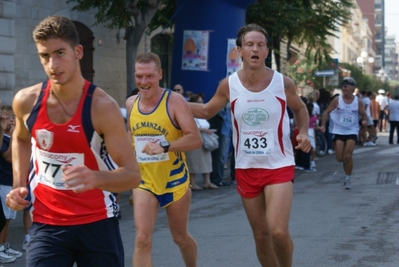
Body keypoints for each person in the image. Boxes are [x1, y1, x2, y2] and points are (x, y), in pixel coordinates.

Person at [5, 16, 141, 266]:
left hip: (97, 222)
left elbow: (133, 175)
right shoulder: (26, 101)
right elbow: (21, 139)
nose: (52, 64)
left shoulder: (102, 107)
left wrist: (97, 177)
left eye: (59, 53)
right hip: (47, 224)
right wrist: (18, 183)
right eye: (44, 56)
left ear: (78, 52)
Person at [188, 23, 310, 267]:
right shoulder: (228, 85)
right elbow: (205, 109)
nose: (255, 49)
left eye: (260, 45)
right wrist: (167, 101)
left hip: (279, 164)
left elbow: (299, 108)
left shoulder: (283, 83)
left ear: (266, 51)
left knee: (277, 230)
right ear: (240, 51)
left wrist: (304, 132)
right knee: (261, 235)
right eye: (250, 45)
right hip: (246, 167)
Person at [126, 52, 201, 267]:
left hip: (174, 179)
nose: (143, 82)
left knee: (179, 237)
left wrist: (165, 146)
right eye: (139, 76)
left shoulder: (174, 101)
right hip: (144, 181)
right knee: (142, 239)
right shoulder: (131, 103)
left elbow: (195, 139)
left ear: (159, 74)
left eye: (149, 76)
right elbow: (130, 137)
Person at [320, 77, 367, 190]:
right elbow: (326, 113)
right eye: (342, 86)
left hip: (352, 131)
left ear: (351, 88)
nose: (343, 88)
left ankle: (348, 178)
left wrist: (364, 120)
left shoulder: (358, 101)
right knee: (340, 158)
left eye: (346, 86)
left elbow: (364, 114)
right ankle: (346, 163)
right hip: (338, 131)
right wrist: (323, 125)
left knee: (348, 155)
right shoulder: (337, 100)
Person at [0, 106, 20, 264]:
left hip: (10, 182)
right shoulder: (5, 137)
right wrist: (14, 136)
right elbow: (8, 157)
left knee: (7, 218)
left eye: (12, 117)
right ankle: (0, 248)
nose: (11, 120)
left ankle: (4, 246)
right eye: (7, 117)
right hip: (3, 182)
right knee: (3, 218)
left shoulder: (7, 136)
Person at [186, 94, 218, 190]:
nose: (201, 104)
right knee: (193, 161)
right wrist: (202, 130)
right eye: (199, 102)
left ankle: (207, 182)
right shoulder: (189, 114)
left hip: (204, 139)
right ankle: (192, 183)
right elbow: (188, 127)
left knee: (207, 161)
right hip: (194, 138)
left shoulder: (201, 114)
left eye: (202, 102)